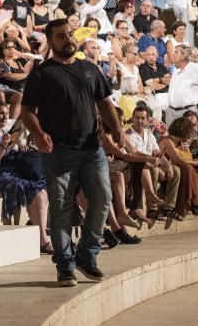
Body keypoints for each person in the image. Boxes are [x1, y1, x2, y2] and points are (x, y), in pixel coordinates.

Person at [21, 19, 124, 287]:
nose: (68, 39)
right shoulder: (42, 74)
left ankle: (87, 254)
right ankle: (65, 265)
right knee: (61, 208)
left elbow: (104, 102)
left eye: (69, 34)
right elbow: (27, 112)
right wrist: (39, 134)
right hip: (58, 151)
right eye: (60, 36)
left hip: (91, 148)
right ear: (51, 42)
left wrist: (117, 128)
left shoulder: (90, 69)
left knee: (102, 199)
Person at [0, 100, 52, 252]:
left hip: (10, 174)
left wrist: (18, 147)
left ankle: (38, 230)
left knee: (42, 188)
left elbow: (6, 154)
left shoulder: (2, 133)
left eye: (6, 114)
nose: (4, 117)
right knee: (36, 192)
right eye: (0, 114)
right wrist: (4, 145)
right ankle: (42, 240)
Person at [165, 45, 198, 125]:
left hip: (187, 113)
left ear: (183, 56)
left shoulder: (195, 68)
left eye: (176, 52)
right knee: (171, 137)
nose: (173, 54)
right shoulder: (176, 68)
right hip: (171, 112)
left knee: (188, 137)